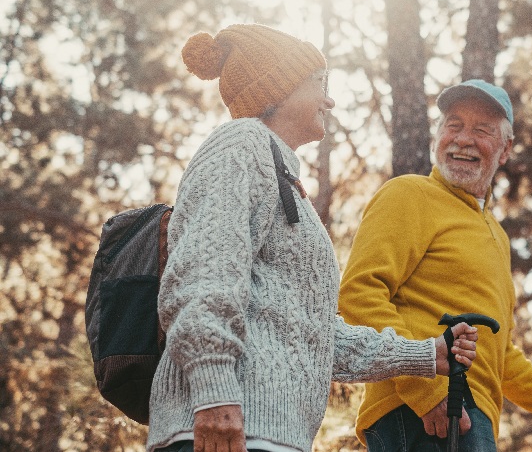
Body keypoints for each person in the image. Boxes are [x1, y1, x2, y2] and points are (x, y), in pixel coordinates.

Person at [146, 24, 479, 452]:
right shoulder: (239, 144)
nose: (329, 99)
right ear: (279, 89)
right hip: (221, 428)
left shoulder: (284, 178)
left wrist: (423, 355)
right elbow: (203, 272)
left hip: (270, 435)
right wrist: (213, 392)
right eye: (318, 84)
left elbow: (314, 335)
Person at [338, 79, 532, 451]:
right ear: (438, 135)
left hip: (474, 418)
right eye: (453, 125)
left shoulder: (496, 235)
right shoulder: (410, 194)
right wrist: (427, 391)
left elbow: (500, 355)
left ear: (505, 150)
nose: (463, 139)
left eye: (481, 130)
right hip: (419, 412)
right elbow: (358, 295)